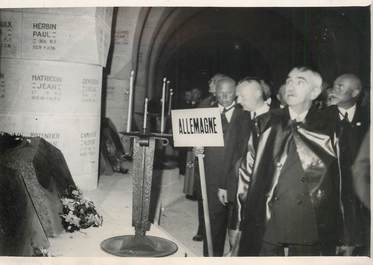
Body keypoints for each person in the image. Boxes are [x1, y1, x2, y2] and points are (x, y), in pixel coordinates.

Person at [237, 67, 342, 256]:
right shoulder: (266, 122)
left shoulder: (330, 127)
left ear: (315, 92)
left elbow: (341, 180)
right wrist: (240, 220)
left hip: (308, 216)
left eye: (300, 82)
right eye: (289, 81)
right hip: (269, 211)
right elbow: (247, 172)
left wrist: (344, 230)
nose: (291, 87)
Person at [194, 76, 243, 256]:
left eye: (229, 93)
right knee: (213, 225)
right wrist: (196, 148)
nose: (225, 97)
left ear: (236, 93)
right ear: (216, 92)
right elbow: (196, 142)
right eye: (221, 93)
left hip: (237, 179)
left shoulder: (245, 115)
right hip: (213, 177)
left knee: (236, 226)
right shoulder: (206, 112)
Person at [325, 73, 370, 256]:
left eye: (340, 86)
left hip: (360, 194)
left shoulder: (368, 118)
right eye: (334, 85)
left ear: (355, 92)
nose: (334, 90)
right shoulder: (320, 117)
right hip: (331, 190)